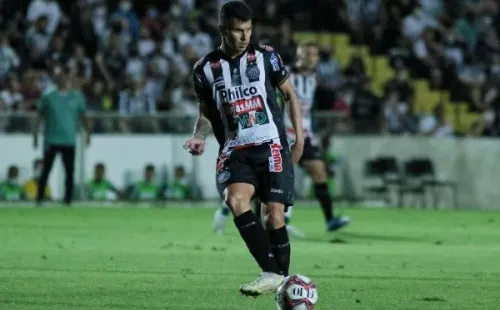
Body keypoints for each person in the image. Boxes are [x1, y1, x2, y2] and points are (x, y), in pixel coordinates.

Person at [183, 1, 304, 297]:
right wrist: (198, 136)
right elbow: (206, 114)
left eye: (248, 30)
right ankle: (273, 273)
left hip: (271, 144)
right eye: (238, 30)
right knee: (235, 200)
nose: (244, 36)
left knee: (273, 216)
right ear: (223, 30)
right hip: (235, 149)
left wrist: (299, 139)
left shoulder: (266, 57)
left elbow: (290, 95)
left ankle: (281, 285)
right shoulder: (204, 69)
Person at [213, 42, 350, 237]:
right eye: (307, 53)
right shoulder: (284, 74)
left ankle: (329, 220)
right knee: (272, 180)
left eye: (314, 54)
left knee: (318, 172)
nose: (311, 57)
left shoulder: (312, 78)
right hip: (280, 135)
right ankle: (227, 211)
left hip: (304, 135)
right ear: (299, 55)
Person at [33, 65, 90, 206]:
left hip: (69, 140)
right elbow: (39, 116)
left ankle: (67, 199)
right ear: (56, 81)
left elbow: (83, 116)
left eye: (66, 78)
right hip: (51, 139)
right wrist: (35, 135)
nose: (64, 81)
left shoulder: (76, 97)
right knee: (46, 169)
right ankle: (39, 198)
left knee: (69, 171)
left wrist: (88, 133)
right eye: (61, 79)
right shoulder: (48, 97)